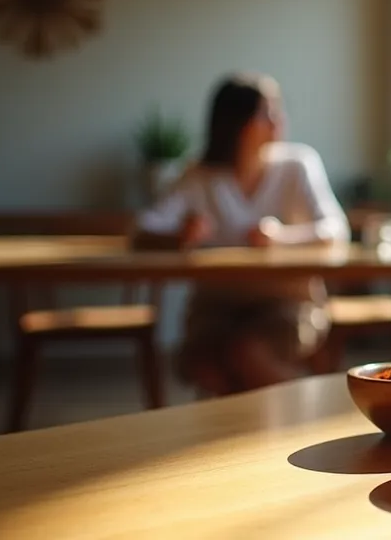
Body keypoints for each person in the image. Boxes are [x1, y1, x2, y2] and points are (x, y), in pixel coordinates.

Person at [134, 72, 350, 396]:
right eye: (266, 113)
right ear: (236, 122)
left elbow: (336, 229)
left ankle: (313, 416)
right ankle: (258, 426)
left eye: (278, 109)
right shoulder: (201, 175)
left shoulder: (297, 165)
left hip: (287, 304)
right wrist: (180, 235)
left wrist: (280, 237)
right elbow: (143, 228)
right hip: (215, 308)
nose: (278, 120)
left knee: (247, 353)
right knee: (208, 365)